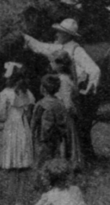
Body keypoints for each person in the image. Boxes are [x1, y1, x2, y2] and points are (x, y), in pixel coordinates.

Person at [23, 18, 101, 160]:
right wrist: (25, 37)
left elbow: (94, 69)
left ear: (68, 35)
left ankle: (67, 156)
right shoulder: (59, 47)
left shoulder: (76, 50)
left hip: (69, 93)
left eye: (60, 32)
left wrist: (89, 88)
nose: (56, 35)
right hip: (61, 91)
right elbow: (41, 47)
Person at [0, 63, 35, 201]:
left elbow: (1, 114)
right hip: (23, 127)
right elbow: (29, 113)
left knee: (12, 163)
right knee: (22, 162)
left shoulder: (5, 94)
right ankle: (21, 194)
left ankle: (11, 194)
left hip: (11, 128)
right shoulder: (28, 93)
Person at [51, 51, 84, 171]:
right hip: (65, 112)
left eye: (53, 62)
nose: (51, 64)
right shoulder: (67, 78)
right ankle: (67, 161)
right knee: (67, 138)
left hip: (64, 113)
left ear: (60, 65)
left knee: (64, 137)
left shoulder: (63, 80)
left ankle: (66, 163)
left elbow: (67, 100)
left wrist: (63, 113)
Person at [31, 74, 68, 169]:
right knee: (55, 157)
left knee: (42, 158)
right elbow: (64, 120)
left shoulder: (41, 104)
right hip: (57, 136)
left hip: (43, 137)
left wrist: (31, 134)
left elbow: (34, 121)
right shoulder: (60, 103)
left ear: (43, 88)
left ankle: (43, 177)